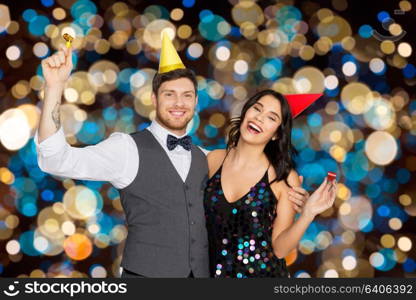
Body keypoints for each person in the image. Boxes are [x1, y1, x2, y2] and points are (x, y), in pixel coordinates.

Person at [35, 31, 310, 278]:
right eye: (169, 94)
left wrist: (294, 200)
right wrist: (55, 88)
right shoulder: (126, 148)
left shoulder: (209, 158)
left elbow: (248, 196)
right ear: (154, 100)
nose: (179, 103)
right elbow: (54, 159)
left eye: (187, 96)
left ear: (195, 102)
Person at [204, 89, 337, 278]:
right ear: (245, 112)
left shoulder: (284, 177)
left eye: (271, 118)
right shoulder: (213, 160)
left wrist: (308, 214)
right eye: (257, 109)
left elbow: (281, 249)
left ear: (276, 134)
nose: (259, 118)